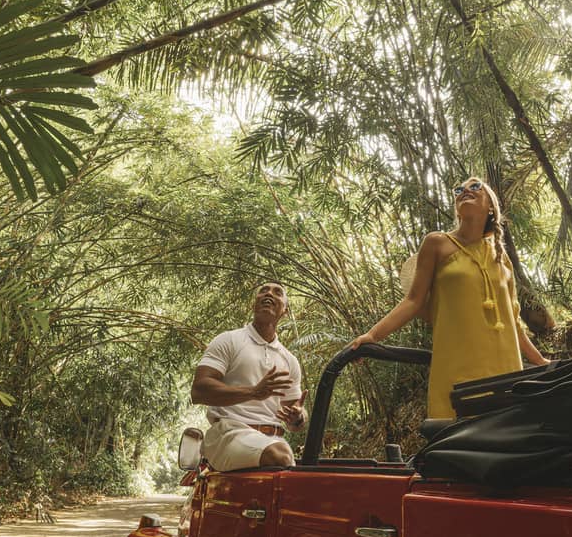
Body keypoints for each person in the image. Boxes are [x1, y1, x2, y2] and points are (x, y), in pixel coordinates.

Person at [352, 177, 549, 419]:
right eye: (459, 190)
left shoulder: (502, 259)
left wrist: (540, 361)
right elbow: (413, 301)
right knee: (459, 439)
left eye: (475, 186)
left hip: (505, 367)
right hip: (459, 364)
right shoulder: (437, 243)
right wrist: (372, 336)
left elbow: (513, 323)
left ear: (491, 206)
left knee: (504, 442)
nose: (465, 190)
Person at [190, 281, 305, 470]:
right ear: (254, 304)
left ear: (284, 311)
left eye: (277, 292)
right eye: (263, 291)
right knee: (280, 457)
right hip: (229, 434)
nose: (269, 294)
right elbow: (199, 390)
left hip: (274, 440)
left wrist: (298, 417)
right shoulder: (229, 340)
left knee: (287, 463)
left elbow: (294, 419)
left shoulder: (289, 360)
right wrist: (252, 392)